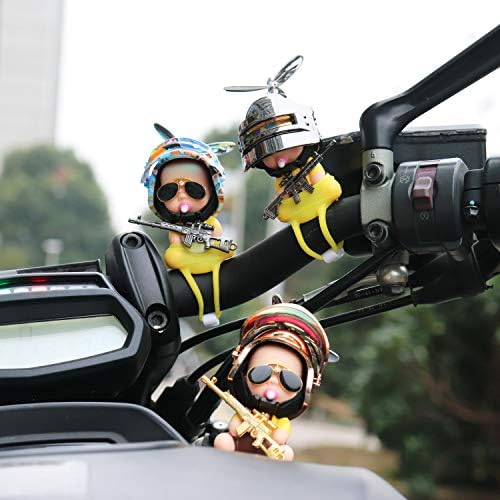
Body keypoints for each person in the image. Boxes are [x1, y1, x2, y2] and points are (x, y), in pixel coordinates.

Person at [213, 301, 338, 460]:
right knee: (224, 440)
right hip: (233, 454)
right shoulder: (245, 413)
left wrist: (265, 433)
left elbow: (279, 438)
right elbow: (234, 429)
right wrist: (249, 424)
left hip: (267, 456)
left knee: (286, 453)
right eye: (261, 373)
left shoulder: (281, 422)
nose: (273, 381)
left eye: (288, 380)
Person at [141, 123, 235, 326]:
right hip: (186, 263)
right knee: (173, 257)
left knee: (217, 280)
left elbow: (217, 236)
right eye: (169, 191)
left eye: (194, 189)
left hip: (211, 257)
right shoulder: (175, 230)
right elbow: (175, 248)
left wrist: (210, 243)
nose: (182, 195)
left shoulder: (211, 223)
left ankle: (212, 308)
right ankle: (204, 309)